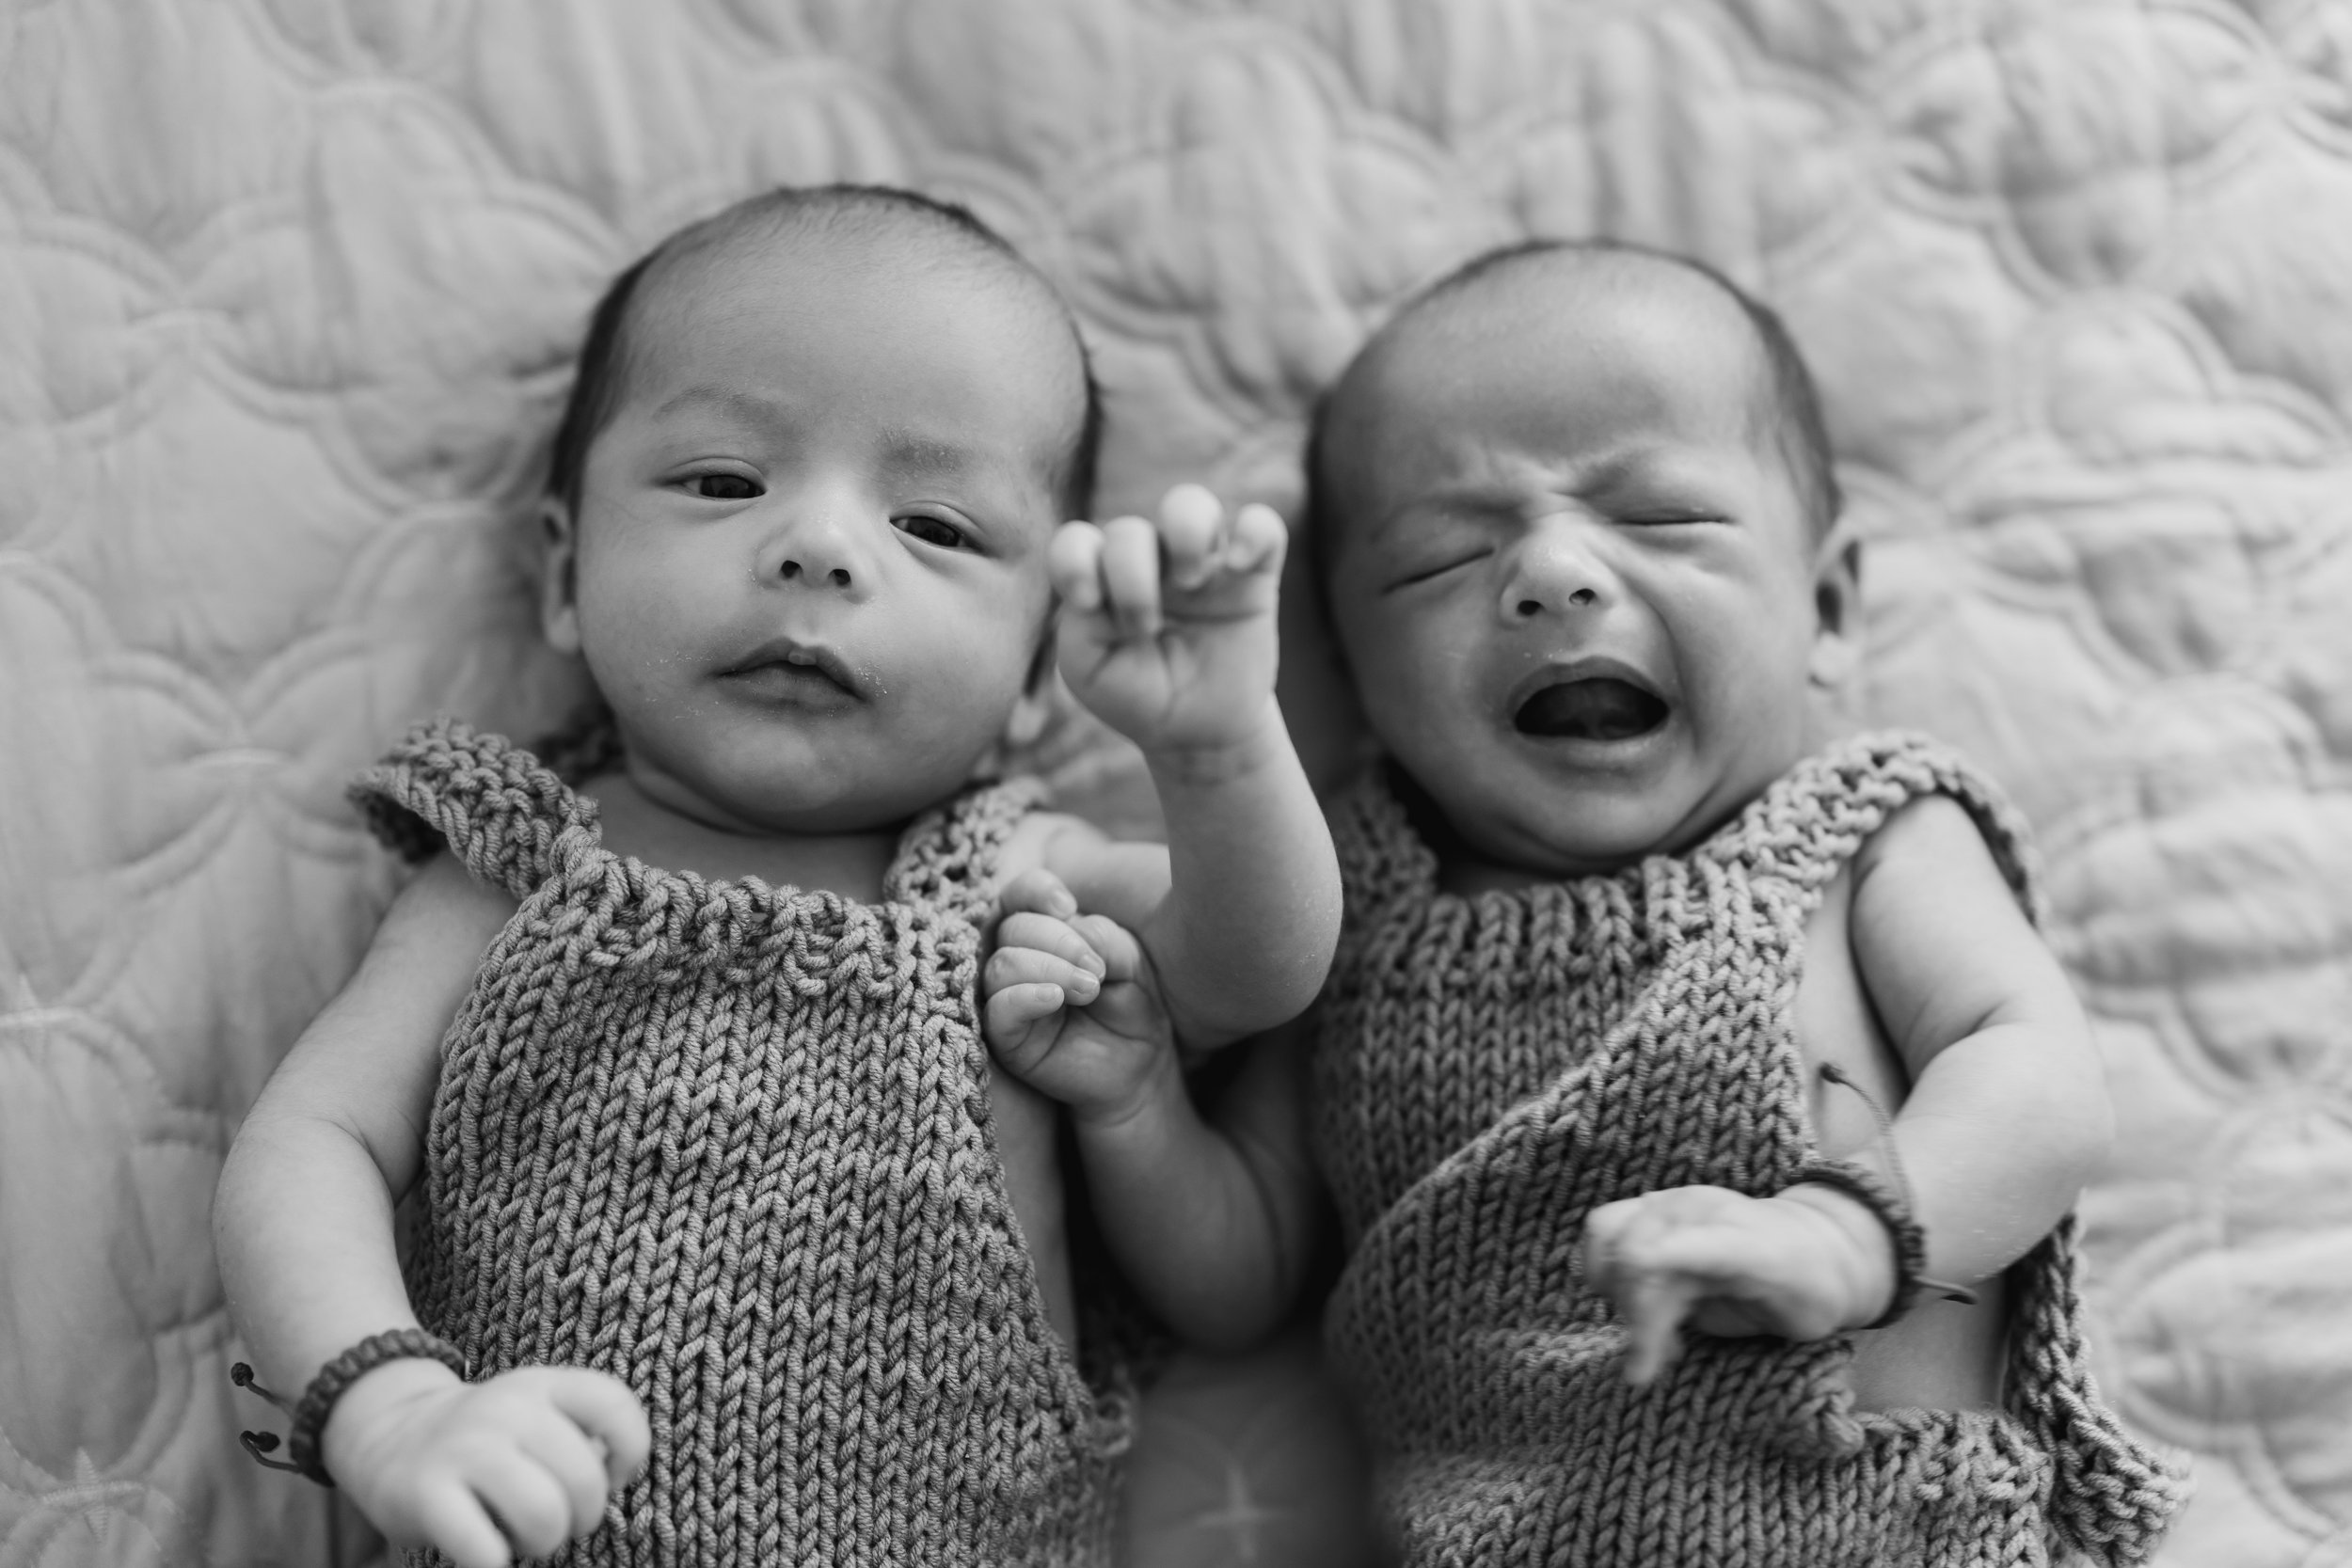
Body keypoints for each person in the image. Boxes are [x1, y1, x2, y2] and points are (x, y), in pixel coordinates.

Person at [981, 238, 2185, 1566]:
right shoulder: (1346, 910)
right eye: (1445, 555)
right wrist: (1140, 1107)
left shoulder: (1863, 841)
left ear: (1829, 605)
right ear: (1349, 667)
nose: (1552, 575)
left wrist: (1850, 1238)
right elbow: (1244, 1276)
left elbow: (2041, 1082)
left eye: (1661, 519)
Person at [212, 182, 1340, 1568]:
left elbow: (1263, 969)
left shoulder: (1014, 882)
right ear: (564, 576)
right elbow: (309, 1143)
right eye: (724, 483)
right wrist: (388, 1405)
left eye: (935, 525)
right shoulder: (518, 873)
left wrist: (1216, 744)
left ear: (1044, 667)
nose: (818, 546)